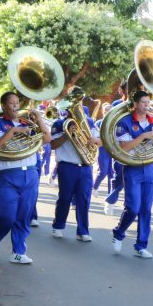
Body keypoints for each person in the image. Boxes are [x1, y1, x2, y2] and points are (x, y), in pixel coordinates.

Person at [0, 91, 52, 264]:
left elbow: (46, 138)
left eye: (17, 102)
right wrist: (14, 131)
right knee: (6, 216)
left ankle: (18, 251)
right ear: (4, 105)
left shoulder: (27, 122)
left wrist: (39, 120)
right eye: (11, 103)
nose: (15, 105)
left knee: (24, 215)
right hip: (4, 175)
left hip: (29, 173)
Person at [110, 90, 153, 259]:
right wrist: (144, 136)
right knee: (132, 208)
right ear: (135, 104)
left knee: (146, 209)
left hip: (150, 167)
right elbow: (125, 147)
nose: (147, 106)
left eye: (148, 103)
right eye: (143, 103)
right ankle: (119, 232)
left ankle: (141, 245)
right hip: (132, 167)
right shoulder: (124, 122)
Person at [49, 101, 102, 242]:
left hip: (85, 166)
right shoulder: (59, 124)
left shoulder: (89, 122)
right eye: (72, 108)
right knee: (65, 198)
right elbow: (53, 145)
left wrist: (94, 140)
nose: (75, 112)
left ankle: (83, 230)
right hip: (67, 165)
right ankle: (58, 226)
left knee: (84, 199)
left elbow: (101, 141)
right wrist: (67, 135)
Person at [93, 103, 114, 192]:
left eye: (110, 110)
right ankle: (94, 187)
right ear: (103, 112)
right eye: (106, 110)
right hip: (103, 149)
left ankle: (110, 193)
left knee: (112, 173)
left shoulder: (116, 123)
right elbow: (96, 138)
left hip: (113, 150)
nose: (108, 112)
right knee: (103, 171)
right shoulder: (98, 123)